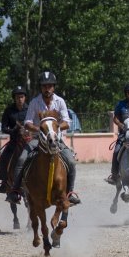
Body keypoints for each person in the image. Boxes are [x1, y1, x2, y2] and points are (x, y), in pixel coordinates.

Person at [5, 71, 81, 205]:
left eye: (50, 86)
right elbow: (27, 122)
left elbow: (67, 122)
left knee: (71, 162)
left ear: (54, 87)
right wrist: (41, 129)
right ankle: (15, 191)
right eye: (44, 86)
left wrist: (53, 129)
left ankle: (69, 192)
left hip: (57, 140)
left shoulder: (60, 102)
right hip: (37, 140)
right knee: (22, 159)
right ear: (41, 87)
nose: (47, 89)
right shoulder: (35, 102)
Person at [0, 86, 28, 193]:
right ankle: (4, 182)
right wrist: (13, 130)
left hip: (28, 141)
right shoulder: (8, 111)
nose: (20, 99)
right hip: (14, 142)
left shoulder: (29, 110)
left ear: (25, 98)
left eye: (22, 97)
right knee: (4, 157)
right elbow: (4, 128)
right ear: (14, 98)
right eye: (18, 97)